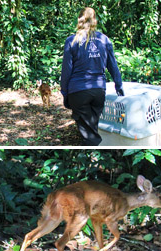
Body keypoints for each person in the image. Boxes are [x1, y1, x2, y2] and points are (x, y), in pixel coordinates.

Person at [60, 7, 123, 146]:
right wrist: (119, 85)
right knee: (91, 128)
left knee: (90, 136)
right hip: (98, 91)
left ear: (79, 19)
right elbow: (113, 66)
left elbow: (66, 71)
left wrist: (64, 92)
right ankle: (93, 156)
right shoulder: (104, 40)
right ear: (95, 20)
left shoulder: (71, 41)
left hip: (78, 91)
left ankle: (94, 157)